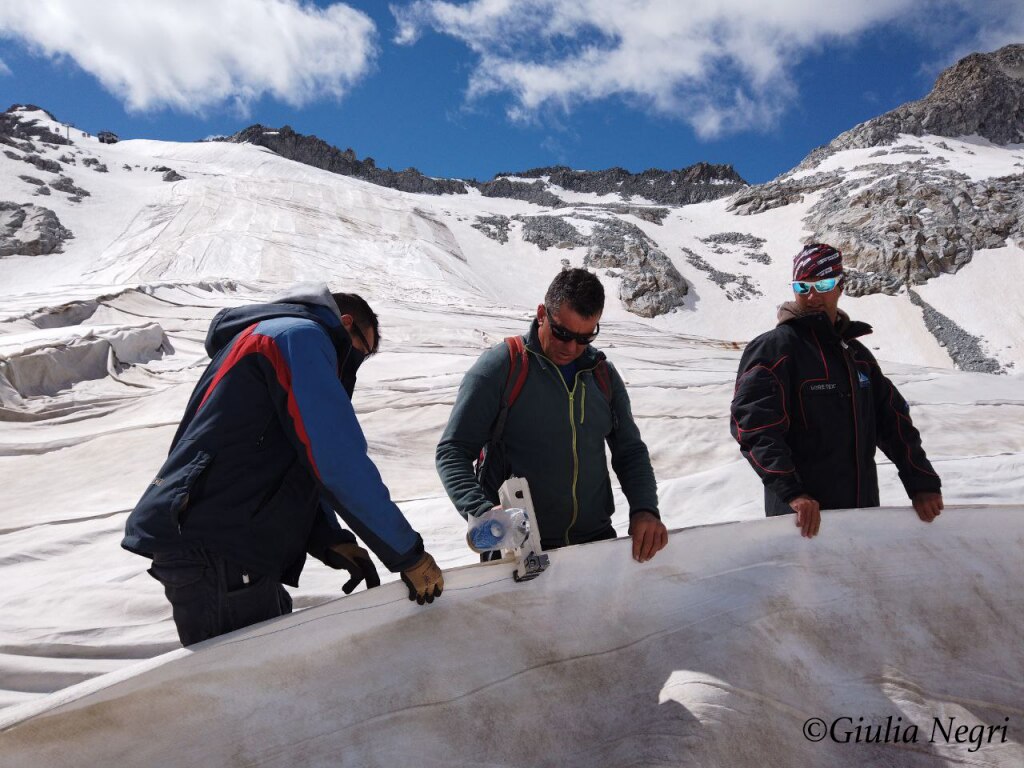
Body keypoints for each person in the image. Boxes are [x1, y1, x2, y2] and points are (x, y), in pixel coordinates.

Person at [122, 283, 444, 646]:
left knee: (265, 676)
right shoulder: (299, 337)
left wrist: (327, 537)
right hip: (221, 545)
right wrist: (407, 554)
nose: (354, 363)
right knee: (246, 689)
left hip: (226, 545)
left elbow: (292, 456)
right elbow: (335, 457)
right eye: (360, 351)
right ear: (346, 322)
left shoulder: (267, 336)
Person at [436, 268, 668, 562]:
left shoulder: (601, 374)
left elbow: (630, 451)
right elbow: (452, 450)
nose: (572, 348)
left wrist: (645, 509)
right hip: (519, 552)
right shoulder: (502, 368)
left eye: (586, 337)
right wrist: (481, 510)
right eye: (562, 333)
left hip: (595, 545)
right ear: (542, 313)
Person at [730, 243, 944, 537]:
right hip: (801, 519)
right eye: (802, 286)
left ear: (840, 286)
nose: (812, 296)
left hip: (861, 514)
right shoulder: (775, 349)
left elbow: (893, 421)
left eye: (824, 284)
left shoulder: (855, 354)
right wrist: (793, 493)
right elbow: (755, 426)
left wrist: (921, 483)